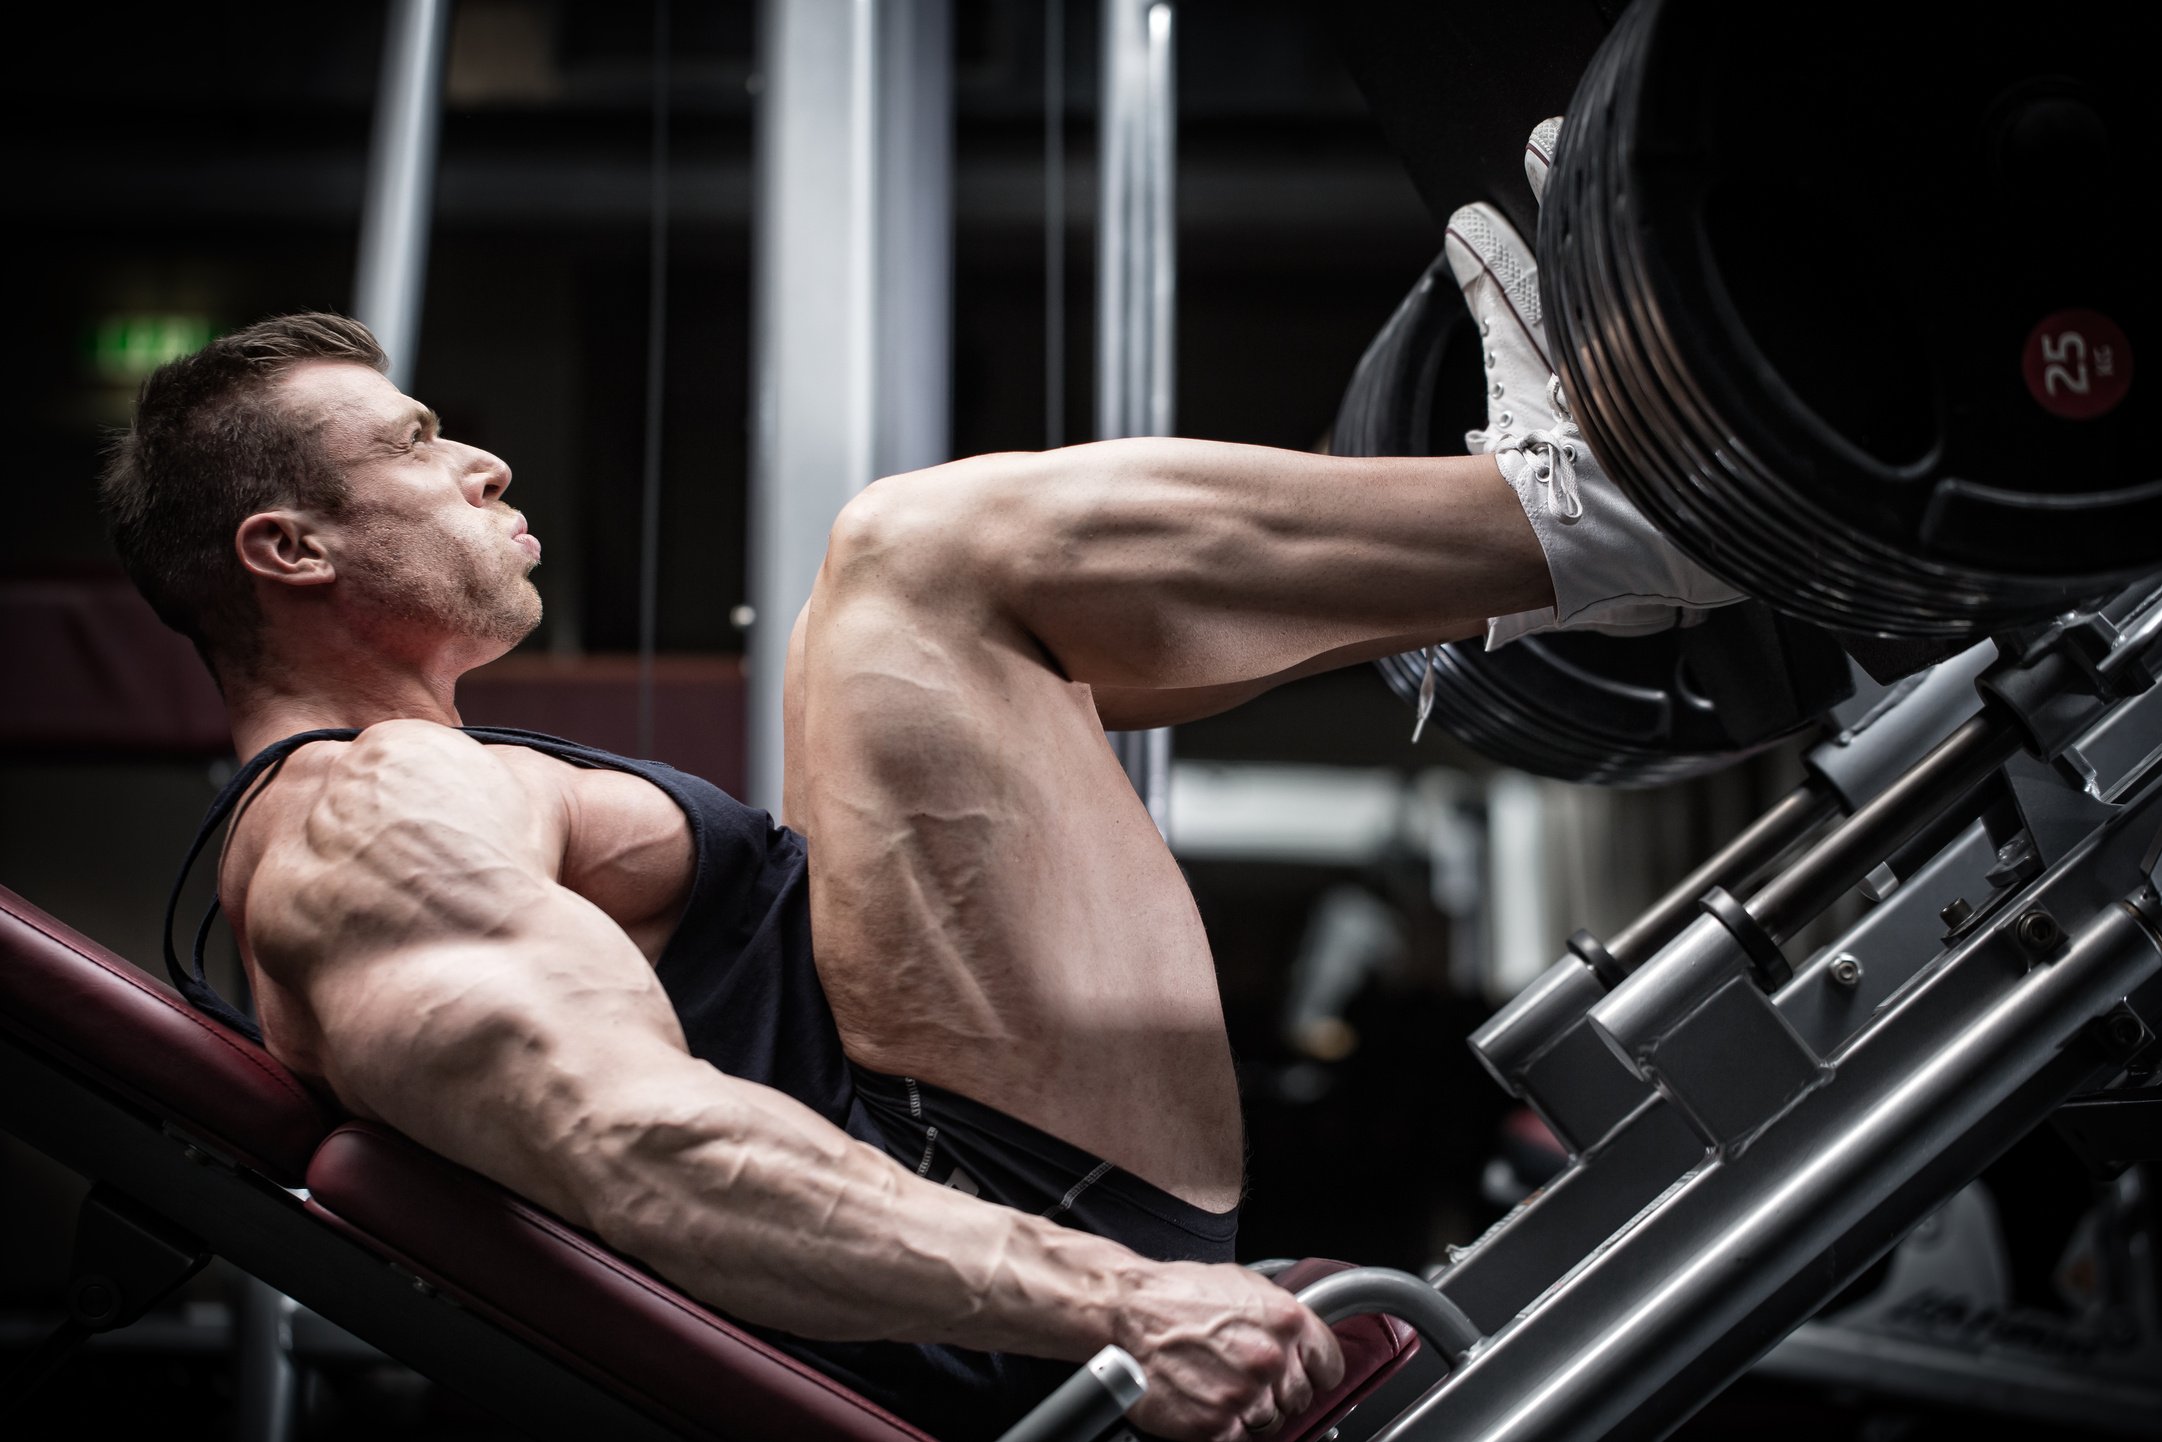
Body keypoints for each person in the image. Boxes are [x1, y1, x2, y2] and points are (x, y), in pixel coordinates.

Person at [102, 122, 1738, 1441]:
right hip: (988, 1305)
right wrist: (1116, 1300)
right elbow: (634, 1140)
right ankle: (1594, 525)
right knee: (916, 554)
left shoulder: (420, 789)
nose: (483, 459)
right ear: (288, 549)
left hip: (978, 1226)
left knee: (954, 624)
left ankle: (1532, 565)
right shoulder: (357, 828)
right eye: (412, 444)